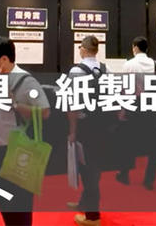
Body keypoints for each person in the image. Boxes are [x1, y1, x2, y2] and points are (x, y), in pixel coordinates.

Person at [0, 36, 50, 226]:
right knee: (4, 200)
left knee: (20, 203)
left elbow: (45, 112)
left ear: (4, 59)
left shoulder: (25, 81)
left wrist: (14, 104)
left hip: (20, 149)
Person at [66, 36, 111, 226]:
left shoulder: (76, 71)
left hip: (84, 126)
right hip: (103, 125)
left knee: (87, 169)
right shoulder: (105, 69)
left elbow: (72, 104)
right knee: (95, 166)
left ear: (83, 49)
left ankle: (93, 216)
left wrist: (72, 130)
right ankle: (85, 203)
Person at [117, 36, 156, 190]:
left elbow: (124, 89)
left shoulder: (129, 65)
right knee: (153, 144)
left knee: (129, 141)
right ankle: (149, 179)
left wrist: (122, 109)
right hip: (152, 105)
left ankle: (124, 174)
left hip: (134, 105)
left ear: (135, 47)